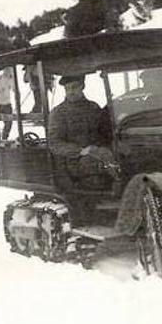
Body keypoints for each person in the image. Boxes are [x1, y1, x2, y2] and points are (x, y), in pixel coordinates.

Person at [48, 75, 115, 224]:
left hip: (99, 155)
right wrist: (80, 150)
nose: (71, 91)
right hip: (74, 163)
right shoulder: (59, 113)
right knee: (101, 170)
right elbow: (54, 143)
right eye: (68, 88)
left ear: (82, 87)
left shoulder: (93, 108)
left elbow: (105, 133)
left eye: (75, 87)